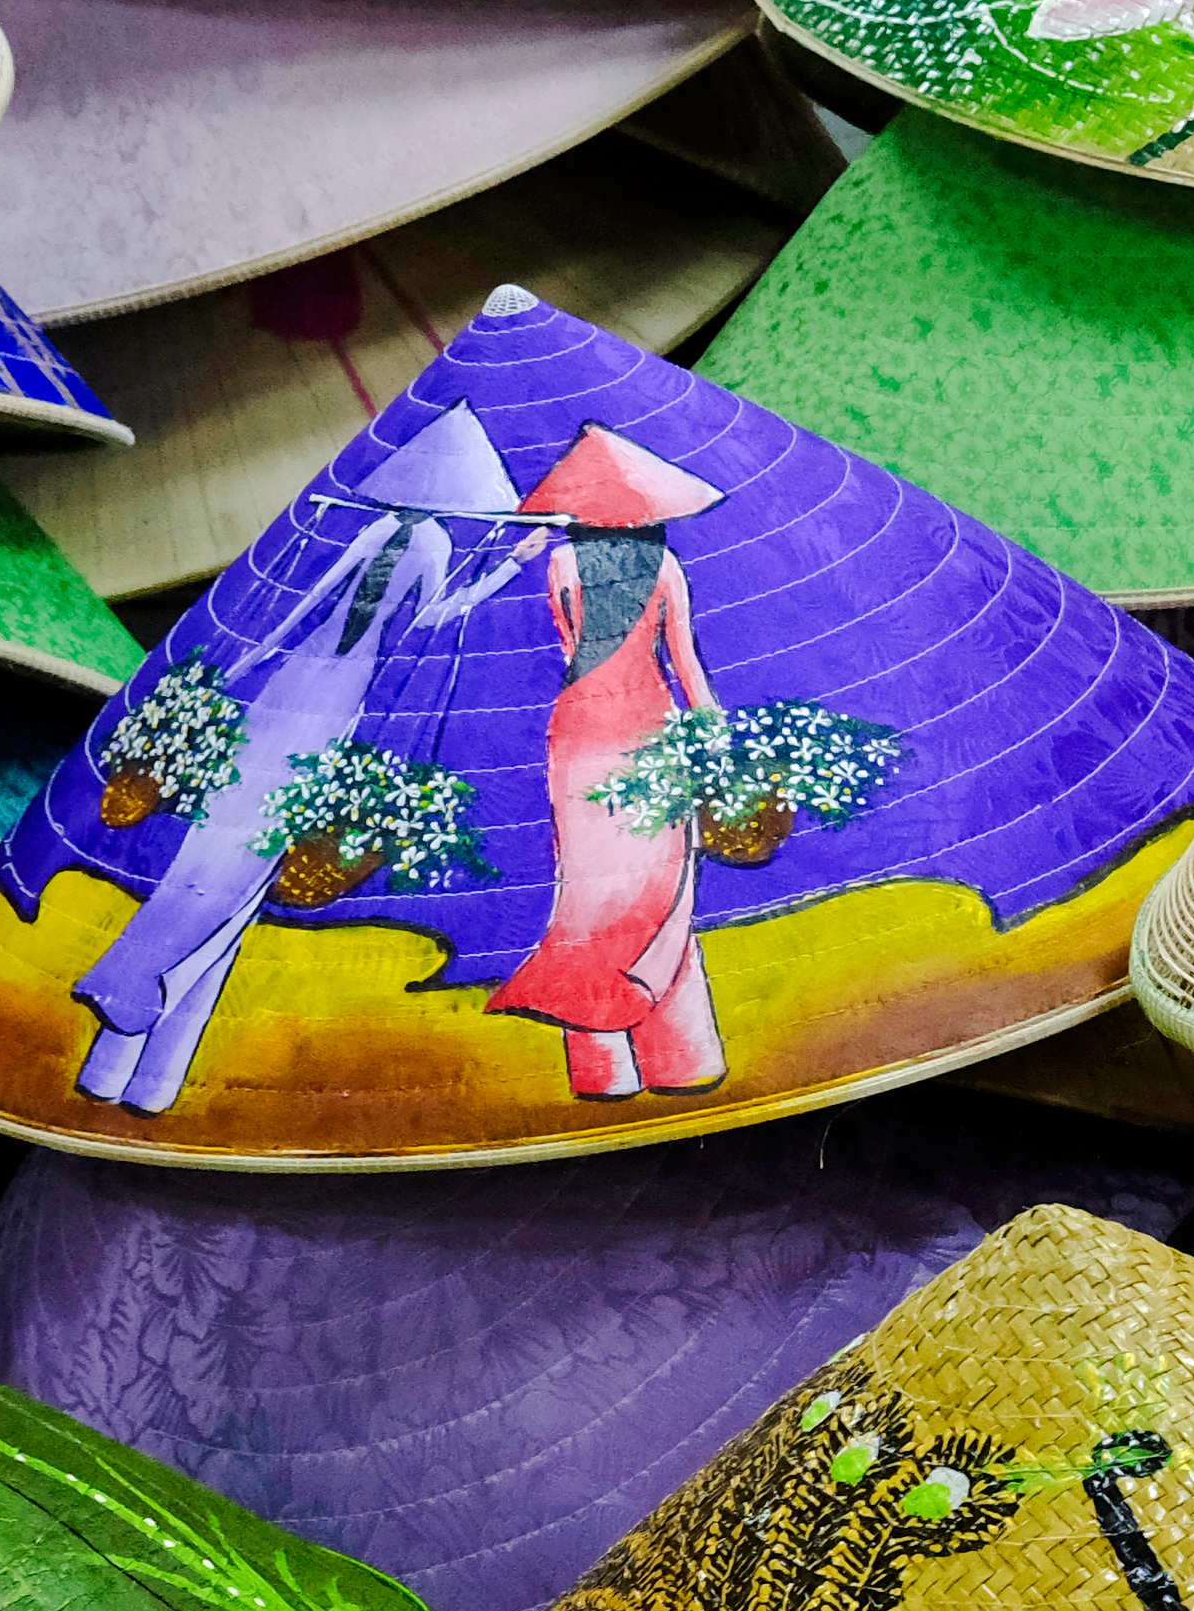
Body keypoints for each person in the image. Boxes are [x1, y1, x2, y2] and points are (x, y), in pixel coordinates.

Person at [76, 407, 528, 1117]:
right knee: (234, 882)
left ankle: (130, 1062)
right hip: (329, 704)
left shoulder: (380, 530)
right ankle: (140, 1038)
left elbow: (302, 613)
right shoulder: (431, 541)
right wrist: (507, 568)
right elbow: (428, 621)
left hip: (292, 690)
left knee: (220, 869)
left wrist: (235, 671)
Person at [491, 425, 741, 1103]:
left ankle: (603, 1070)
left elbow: (571, 644)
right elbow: (687, 665)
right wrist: (717, 744)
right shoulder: (665, 568)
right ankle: (683, 1061)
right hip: (651, 731)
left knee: (589, 894)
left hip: (577, 734)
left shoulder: (562, 567)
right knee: (663, 896)